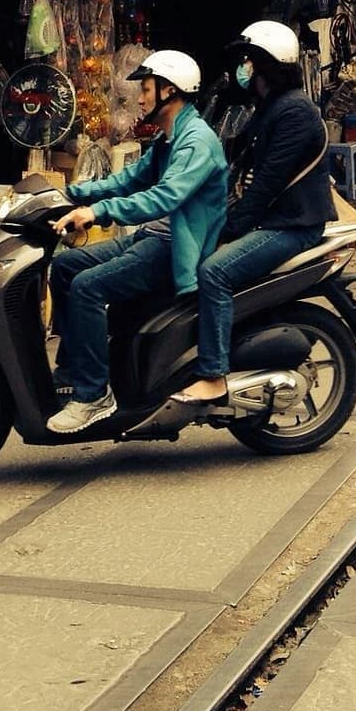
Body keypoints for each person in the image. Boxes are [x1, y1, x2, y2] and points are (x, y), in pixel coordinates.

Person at [47, 52, 227, 434]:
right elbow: (127, 179)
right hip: (151, 238)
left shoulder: (196, 142)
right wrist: (68, 194)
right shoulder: (169, 138)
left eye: (146, 90)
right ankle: (73, 371)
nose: (140, 99)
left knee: (87, 288)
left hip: (174, 248)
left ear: (169, 91)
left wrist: (99, 213)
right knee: (65, 268)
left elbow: (163, 197)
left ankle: (94, 395)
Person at [171, 23, 335, 406]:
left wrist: (231, 227)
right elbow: (235, 164)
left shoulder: (295, 111)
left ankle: (212, 374)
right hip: (276, 221)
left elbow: (267, 184)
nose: (242, 67)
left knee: (214, 271)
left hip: (293, 226)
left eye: (248, 60)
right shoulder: (270, 108)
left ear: (265, 64)